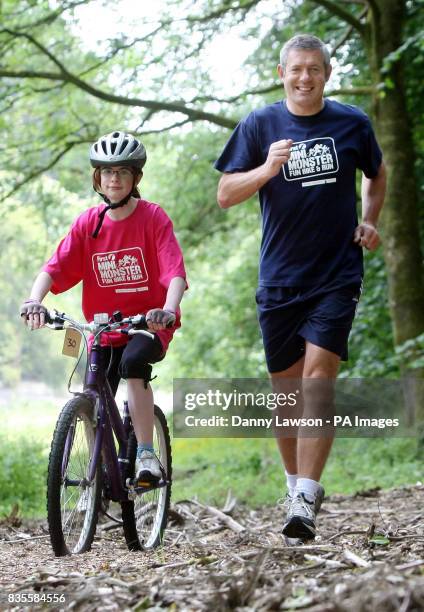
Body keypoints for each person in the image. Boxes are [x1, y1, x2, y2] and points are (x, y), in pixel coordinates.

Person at [214, 34, 386, 542]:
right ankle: (294, 488)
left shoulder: (352, 122)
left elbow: (377, 174)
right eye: (297, 70)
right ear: (282, 72)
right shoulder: (260, 124)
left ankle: (307, 495)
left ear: (327, 74)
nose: (305, 78)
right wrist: (267, 168)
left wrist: (370, 219)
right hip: (280, 279)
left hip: (336, 275)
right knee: (286, 395)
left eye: (314, 69)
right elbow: (225, 194)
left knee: (317, 382)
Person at [20, 130, 187, 483]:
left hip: (146, 325)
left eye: (123, 171)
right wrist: (35, 300)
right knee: (92, 394)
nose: (114, 178)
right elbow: (53, 267)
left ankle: (145, 455)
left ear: (135, 178)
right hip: (103, 330)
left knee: (133, 364)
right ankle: (99, 478)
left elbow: (174, 273)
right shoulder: (88, 224)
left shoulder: (153, 217)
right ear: (98, 178)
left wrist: (168, 310)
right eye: (108, 172)